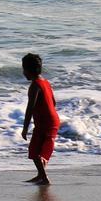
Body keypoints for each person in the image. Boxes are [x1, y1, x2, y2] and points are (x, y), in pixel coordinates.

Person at [20, 52, 60, 185]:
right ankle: (40, 175)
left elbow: (29, 108)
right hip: (53, 119)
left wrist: (25, 128)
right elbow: (53, 102)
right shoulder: (45, 82)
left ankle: (44, 177)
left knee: (34, 150)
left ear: (28, 70)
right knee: (41, 150)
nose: (23, 73)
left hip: (45, 122)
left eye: (23, 69)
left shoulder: (35, 85)